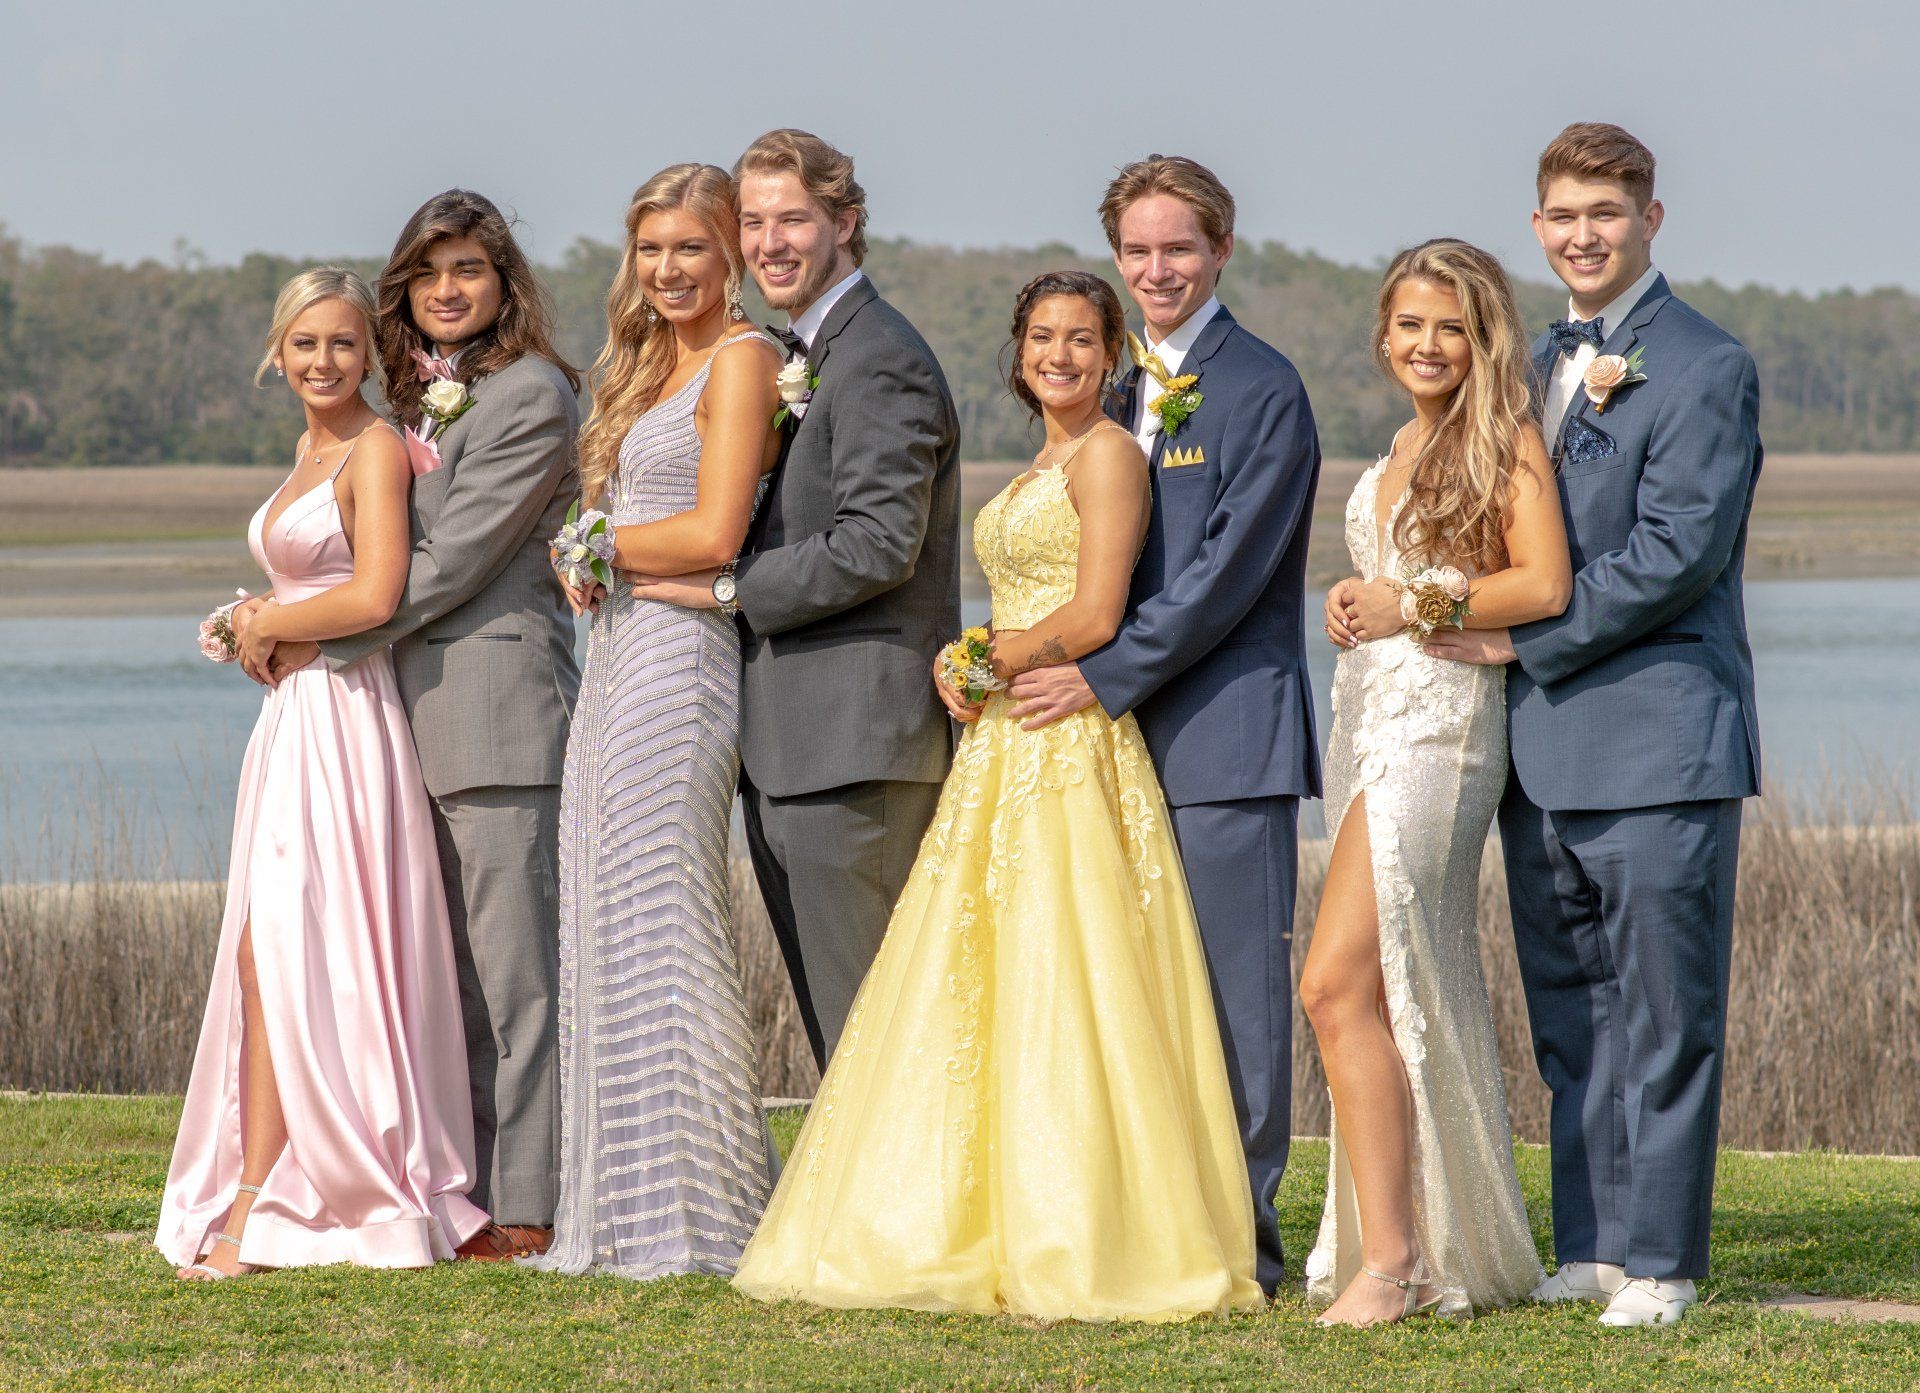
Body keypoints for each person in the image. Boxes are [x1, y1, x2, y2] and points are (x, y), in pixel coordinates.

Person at [731, 272, 1262, 1321]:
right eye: (1041, 338)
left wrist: (985, 652)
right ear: (1019, 353)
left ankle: (1082, 1225)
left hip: (1062, 732)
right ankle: (966, 1207)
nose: (1058, 355)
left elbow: (1101, 611)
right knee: (982, 969)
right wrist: (973, 666)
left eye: (1079, 338)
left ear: (1110, 353)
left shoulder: (1109, 456)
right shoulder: (1041, 462)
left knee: (1069, 963)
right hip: (1002, 740)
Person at [1424, 123, 1763, 1328]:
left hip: (1663, 739)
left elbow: (1677, 554)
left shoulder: (1705, 364)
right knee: (1572, 1010)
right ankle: (1596, 1243)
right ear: (1537, 227)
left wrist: (1518, 635)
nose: (1584, 234)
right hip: (1540, 750)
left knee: (1669, 1013)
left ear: (1650, 220)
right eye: (1564, 215)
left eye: (1606, 214)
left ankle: (1664, 1260)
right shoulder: (1521, 372)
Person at [1006, 155, 1320, 1295]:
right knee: (1137, 996)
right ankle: (1150, 1221)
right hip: (1106, 747)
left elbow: (1226, 575)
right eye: (1136, 250)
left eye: (1177, 248)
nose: (1155, 270)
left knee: (1236, 999)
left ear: (1222, 249)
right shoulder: (1107, 388)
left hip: (1224, 736)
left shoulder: (1265, 390)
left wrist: (1104, 672)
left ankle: (1249, 1242)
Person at [250, 191, 584, 1261]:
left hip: (495, 714)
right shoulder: (424, 400)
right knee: (446, 979)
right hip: (399, 728)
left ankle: (529, 1205)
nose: (449, 290)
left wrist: (308, 633)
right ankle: (460, 1185)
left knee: (517, 973)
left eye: (470, 271)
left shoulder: (531, 395)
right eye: (430, 273)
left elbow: (450, 563)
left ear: (503, 285)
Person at [156, 268, 487, 1278]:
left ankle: (279, 1190)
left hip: (347, 718)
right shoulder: (308, 449)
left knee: (296, 953)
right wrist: (250, 620)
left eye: (341, 344)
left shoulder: (376, 447)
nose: (322, 362)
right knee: (266, 955)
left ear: (368, 354)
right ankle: (261, 1178)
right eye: (304, 344)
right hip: (292, 723)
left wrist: (268, 621)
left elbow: (377, 592)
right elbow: (316, 580)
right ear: (277, 353)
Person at [630, 130, 960, 1071]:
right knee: (841, 1037)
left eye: (794, 220)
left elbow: (878, 544)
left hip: (855, 747)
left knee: (878, 1031)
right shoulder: (800, 352)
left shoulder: (881, 358)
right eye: (755, 223)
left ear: (846, 223)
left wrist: (726, 588)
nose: (770, 242)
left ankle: (910, 1222)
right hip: (788, 749)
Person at [533, 164, 784, 1279]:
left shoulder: (744, 360)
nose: (669, 269)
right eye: (651, 250)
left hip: (683, 660)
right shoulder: (648, 366)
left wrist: (593, 547)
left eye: (691, 246)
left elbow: (718, 530)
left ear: (732, 249)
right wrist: (595, 558)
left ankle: (702, 1210)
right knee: (603, 911)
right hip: (618, 650)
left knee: (662, 916)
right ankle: (621, 1204)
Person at [1311, 239, 1564, 1323]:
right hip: (1371, 720)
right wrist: (1350, 599)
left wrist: (1415, 604)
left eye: (1450, 326)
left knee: (1334, 982)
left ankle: (1398, 1259)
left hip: (1443, 733)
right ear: (1384, 333)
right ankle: (1400, 1241)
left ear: (1484, 337)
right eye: (1410, 323)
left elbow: (1544, 582)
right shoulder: (1400, 446)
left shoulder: (1500, 437)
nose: (1427, 343)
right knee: (1372, 986)